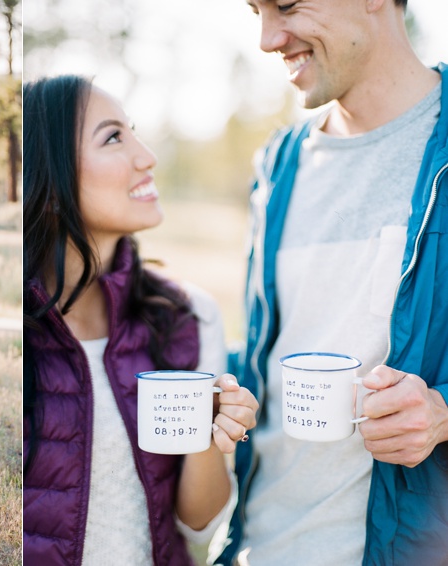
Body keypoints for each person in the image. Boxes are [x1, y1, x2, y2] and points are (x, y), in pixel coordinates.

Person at [219, 1, 448, 564]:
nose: (268, 39)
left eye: (287, 5)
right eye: (256, 11)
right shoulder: (278, 164)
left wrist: (444, 414)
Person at [22, 75, 260, 565]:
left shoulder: (189, 318)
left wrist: (211, 436)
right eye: (113, 138)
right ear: (47, 184)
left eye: (133, 131)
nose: (146, 156)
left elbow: (198, 525)